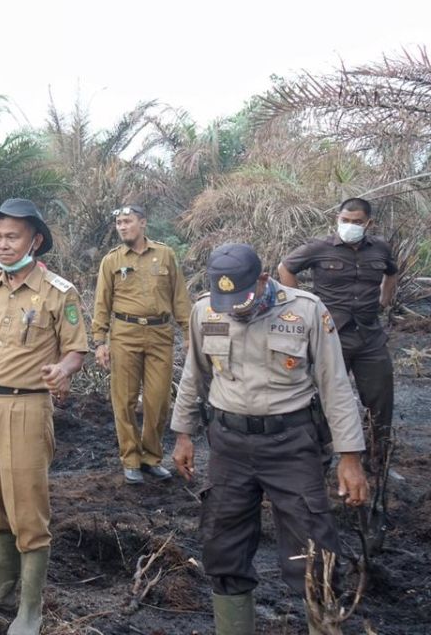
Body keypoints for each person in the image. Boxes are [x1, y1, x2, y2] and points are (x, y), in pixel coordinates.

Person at [172, 243, 368, 635]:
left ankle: (323, 627)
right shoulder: (205, 310)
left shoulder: (307, 311)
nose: (235, 309)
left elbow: (335, 386)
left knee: (314, 548)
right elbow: (194, 376)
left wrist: (350, 457)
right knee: (222, 544)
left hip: (291, 444)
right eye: (226, 301)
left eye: (242, 298)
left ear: (263, 280)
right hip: (228, 444)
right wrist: (183, 434)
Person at [0, 199, 87, 635]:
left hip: (26, 407)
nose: (2, 245)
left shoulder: (59, 292)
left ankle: (30, 607)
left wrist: (62, 370)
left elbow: (77, 348)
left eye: (12, 237)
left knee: (27, 505)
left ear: (35, 240)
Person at [278, 197, 398, 475]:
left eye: (357, 222)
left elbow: (391, 273)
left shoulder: (380, 248)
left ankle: (377, 462)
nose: (350, 226)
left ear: (369, 223)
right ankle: (319, 462)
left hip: (370, 335)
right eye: (345, 220)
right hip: (331, 336)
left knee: (381, 399)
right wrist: (302, 304)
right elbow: (286, 268)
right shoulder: (319, 248)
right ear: (337, 218)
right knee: (324, 399)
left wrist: (384, 300)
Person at [92, 204, 192, 484]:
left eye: (128, 221)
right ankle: (131, 458)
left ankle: (151, 457)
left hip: (160, 334)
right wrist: (100, 341)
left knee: (158, 400)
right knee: (123, 399)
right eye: (119, 223)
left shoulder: (165, 255)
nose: (123, 227)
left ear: (143, 223)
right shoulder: (111, 261)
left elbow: (180, 298)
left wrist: (190, 333)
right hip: (125, 333)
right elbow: (102, 302)